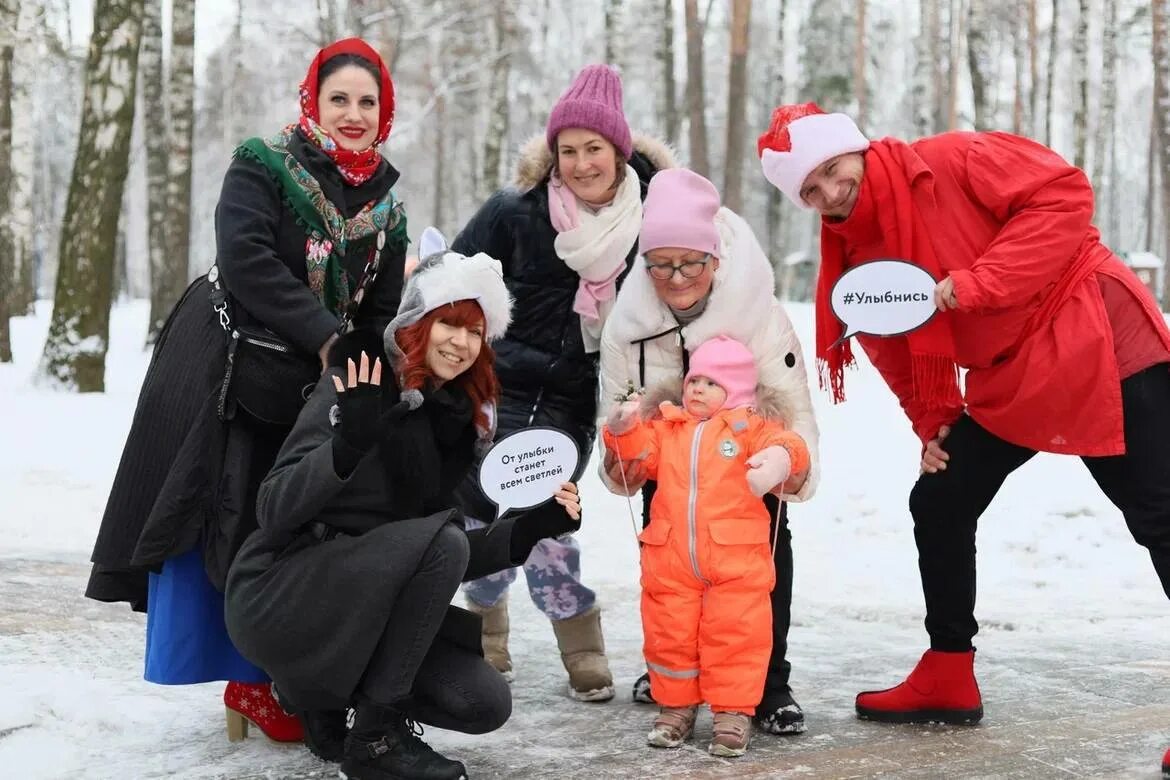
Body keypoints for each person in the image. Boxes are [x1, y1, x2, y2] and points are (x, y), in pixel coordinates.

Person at [757, 102, 1170, 742]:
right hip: (1010, 374)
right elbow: (890, 340)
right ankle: (949, 671)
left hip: (1098, 334)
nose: (831, 192)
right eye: (810, 190)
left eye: (834, 170)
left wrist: (981, 282)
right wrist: (935, 420)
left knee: (1160, 516)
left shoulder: (953, 159)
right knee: (942, 497)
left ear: (858, 149)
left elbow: (1063, 195)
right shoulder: (854, 245)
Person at [84, 37, 408, 755]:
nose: (353, 114)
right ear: (312, 102)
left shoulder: (387, 205)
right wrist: (329, 336)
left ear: (383, 112)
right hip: (228, 358)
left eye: (367, 103)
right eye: (339, 100)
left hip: (311, 375)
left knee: (297, 513)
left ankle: (296, 666)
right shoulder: (263, 165)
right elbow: (248, 260)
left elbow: (381, 305)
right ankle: (245, 680)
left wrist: (371, 368)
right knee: (224, 508)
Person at [224, 247, 586, 780]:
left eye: (475, 332)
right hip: (285, 589)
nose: (461, 343)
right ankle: (373, 739)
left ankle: (326, 698)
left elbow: (443, 556)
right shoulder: (359, 379)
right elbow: (273, 509)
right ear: (419, 320)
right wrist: (344, 447)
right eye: (450, 324)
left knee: (483, 702)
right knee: (442, 540)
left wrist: (534, 527)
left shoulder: (455, 423)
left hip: (371, 605)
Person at [450, 63, 675, 701]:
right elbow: (454, 281)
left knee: (547, 514)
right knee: (477, 509)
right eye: (567, 150)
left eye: (593, 149)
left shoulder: (651, 218)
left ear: (618, 151)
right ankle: (483, 634)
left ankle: (579, 638)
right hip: (494, 388)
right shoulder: (513, 212)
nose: (580, 164)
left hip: (576, 398)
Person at [598, 167, 820, 734]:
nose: (675, 277)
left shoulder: (758, 315)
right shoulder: (627, 326)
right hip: (669, 465)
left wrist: (786, 468)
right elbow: (618, 410)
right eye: (660, 264)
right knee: (668, 579)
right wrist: (620, 446)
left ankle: (767, 683)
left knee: (757, 568)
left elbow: (790, 410)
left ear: (715, 261)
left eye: (690, 263)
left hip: (743, 466)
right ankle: (679, 678)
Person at [602, 335, 810, 757]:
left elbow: (791, 446)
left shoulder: (750, 427)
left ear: (735, 390)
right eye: (694, 380)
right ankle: (676, 707)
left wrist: (776, 462)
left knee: (736, 635)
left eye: (711, 383)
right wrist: (622, 429)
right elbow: (639, 450)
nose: (697, 389)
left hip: (735, 560)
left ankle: (733, 711)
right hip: (671, 559)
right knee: (669, 634)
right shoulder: (667, 427)